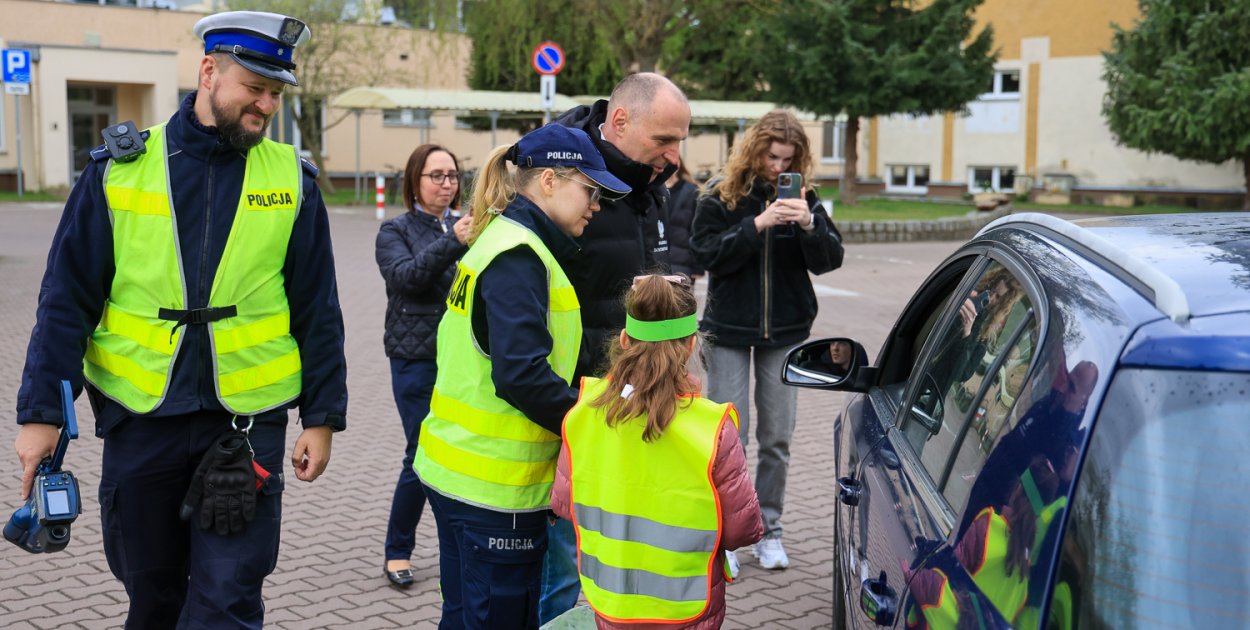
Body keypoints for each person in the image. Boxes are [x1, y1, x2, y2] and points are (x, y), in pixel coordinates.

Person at [11, 11, 346, 629]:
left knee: (229, 600)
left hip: (246, 423)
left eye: (276, 92)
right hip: (142, 419)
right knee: (154, 596)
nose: (267, 104)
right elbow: (66, 299)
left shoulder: (292, 181)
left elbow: (317, 307)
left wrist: (322, 418)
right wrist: (41, 416)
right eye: (255, 87)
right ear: (209, 72)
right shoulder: (118, 170)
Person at [411, 124, 630, 629]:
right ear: (549, 181)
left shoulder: (506, 240)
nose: (596, 205)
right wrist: (593, 424)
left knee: (466, 616)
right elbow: (521, 375)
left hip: (462, 477)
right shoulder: (519, 256)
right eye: (590, 190)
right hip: (495, 491)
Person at [545, 71, 692, 622]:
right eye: (664, 140)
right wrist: (569, 406)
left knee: (607, 561)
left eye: (680, 139)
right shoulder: (560, 174)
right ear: (621, 122)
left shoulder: (649, 182)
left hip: (626, 398)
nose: (675, 155)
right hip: (568, 405)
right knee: (559, 565)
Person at [550, 274, 762, 629]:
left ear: (623, 339)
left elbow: (563, 504)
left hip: (611, 599)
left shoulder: (584, 412)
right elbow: (743, 529)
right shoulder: (711, 428)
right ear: (691, 345)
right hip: (685, 604)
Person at [691, 110, 844, 575]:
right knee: (728, 438)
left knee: (777, 437)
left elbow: (829, 261)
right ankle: (725, 538)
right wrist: (756, 225)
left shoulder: (807, 198)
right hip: (730, 330)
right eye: (772, 156)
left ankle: (770, 531)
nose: (779, 167)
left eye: (788, 159)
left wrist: (808, 226)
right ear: (754, 151)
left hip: (786, 331)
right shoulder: (720, 194)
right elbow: (703, 253)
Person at [375, 144, 472, 588]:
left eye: (452, 175)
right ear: (415, 181)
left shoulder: (466, 225)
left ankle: (461, 546)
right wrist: (454, 241)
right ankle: (398, 550)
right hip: (415, 359)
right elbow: (407, 278)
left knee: (459, 455)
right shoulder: (394, 231)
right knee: (420, 454)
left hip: (461, 359)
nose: (447, 184)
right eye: (437, 175)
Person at [666, 163, 705, 285]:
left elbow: (698, 230)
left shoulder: (691, 191)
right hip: (658, 264)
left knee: (680, 303)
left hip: (683, 265)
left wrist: (698, 266)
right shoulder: (653, 190)